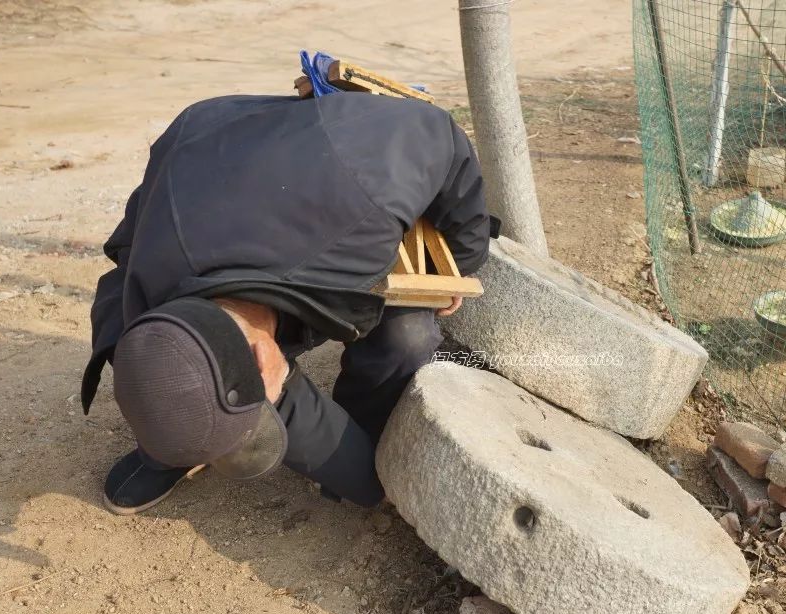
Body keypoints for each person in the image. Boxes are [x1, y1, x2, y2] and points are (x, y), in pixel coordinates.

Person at [81, 90, 496, 514]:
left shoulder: (364, 213)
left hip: (336, 158)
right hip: (213, 137)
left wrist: (460, 260)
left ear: (263, 358)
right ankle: (178, 444)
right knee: (159, 354)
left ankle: (366, 428)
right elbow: (128, 251)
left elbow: (438, 133)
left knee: (406, 338)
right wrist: (179, 414)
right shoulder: (147, 271)